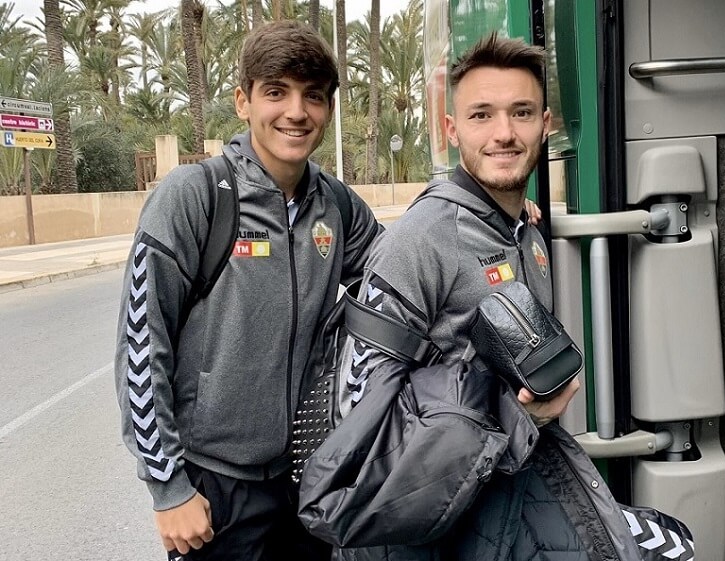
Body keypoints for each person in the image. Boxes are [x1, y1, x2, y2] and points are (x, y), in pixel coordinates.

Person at [336, 33, 644, 560]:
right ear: (453, 131)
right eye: (481, 116)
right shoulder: (420, 239)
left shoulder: (523, 232)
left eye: (521, 112)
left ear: (545, 125)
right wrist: (523, 419)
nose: (504, 133)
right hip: (434, 532)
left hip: (510, 505)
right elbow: (358, 416)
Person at [113, 20, 382, 561]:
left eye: (313, 96)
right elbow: (142, 344)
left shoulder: (337, 205)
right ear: (243, 101)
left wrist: (495, 216)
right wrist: (168, 489)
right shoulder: (196, 196)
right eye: (276, 92)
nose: (296, 112)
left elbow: (403, 275)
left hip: (306, 479)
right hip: (215, 488)